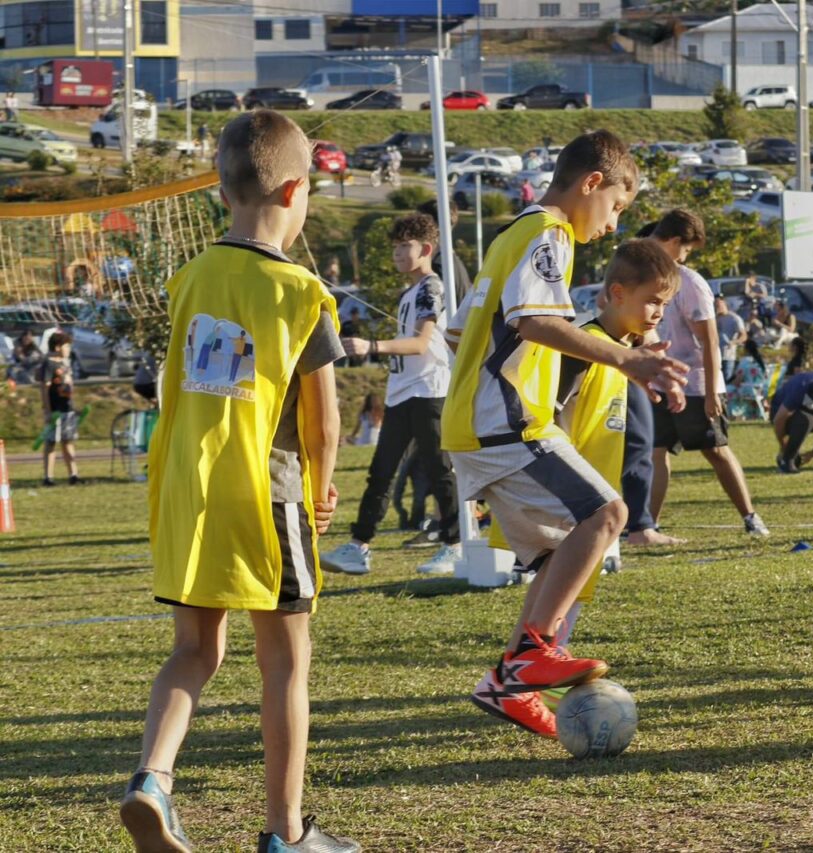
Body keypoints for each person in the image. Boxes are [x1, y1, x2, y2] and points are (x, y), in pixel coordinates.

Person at [123, 110, 357, 853]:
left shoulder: (187, 278)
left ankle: (153, 778)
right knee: (284, 660)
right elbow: (322, 422)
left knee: (194, 649)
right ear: (295, 189)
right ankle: (286, 833)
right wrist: (324, 483)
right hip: (267, 492)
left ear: (223, 193)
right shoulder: (303, 291)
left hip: (187, 489)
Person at [442, 130, 687, 738]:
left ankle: (505, 686)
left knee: (561, 554)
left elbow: (457, 331)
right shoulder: (548, 234)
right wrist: (625, 360)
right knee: (608, 513)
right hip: (506, 421)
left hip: (483, 419)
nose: (611, 227)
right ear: (592, 184)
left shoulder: (509, 237)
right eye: (617, 210)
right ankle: (531, 652)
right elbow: (535, 322)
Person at [493, 240, 684, 691]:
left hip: (592, 497)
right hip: (568, 496)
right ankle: (538, 678)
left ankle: (515, 678)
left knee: (571, 591)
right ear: (617, 293)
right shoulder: (585, 348)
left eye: (665, 304)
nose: (658, 312)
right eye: (651, 301)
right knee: (566, 592)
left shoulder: (623, 352)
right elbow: (546, 414)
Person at [320, 213, 462, 574]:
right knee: (380, 472)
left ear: (426, 249)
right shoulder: (410, 291)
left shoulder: (431, 287)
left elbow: (419, 344)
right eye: (395, 247)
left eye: (405, 247)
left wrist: (372, 345)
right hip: (402, 394)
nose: (397, 254)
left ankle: (455, 545)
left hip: (429, 392)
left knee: (440, 470)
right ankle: (359, 545)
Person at [646, 209, 770, 537]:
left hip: (697, 383)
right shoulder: (640, 274)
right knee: (656, 453)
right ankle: (647, 525)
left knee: (714, 450)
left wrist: (714, 390)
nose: (685, 257)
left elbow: (710, 339)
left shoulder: (690, 283)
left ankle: (750, 517)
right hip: (658, 382)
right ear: (673, 241)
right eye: (686, 250)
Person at [37, 331, 80, 487]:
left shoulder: (65, 363)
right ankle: (48, 477)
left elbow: (69, 385)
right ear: (57, 347)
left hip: (67, 409)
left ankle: (73, 475)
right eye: (66, 345)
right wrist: (48, 410)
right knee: (51, 443)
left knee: (68, 441)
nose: (69, 349)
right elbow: (44, 388)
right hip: (55, 410)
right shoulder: (48, 364)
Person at [715, 293, 745, 386]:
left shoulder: (734, 318)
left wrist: (734, 342)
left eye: (718, 304)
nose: (717, 307)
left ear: (724, 303)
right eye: (715, 305)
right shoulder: (715, 319)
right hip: (716, 355)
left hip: (728, 355)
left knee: (727, 382)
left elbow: (743, 335)